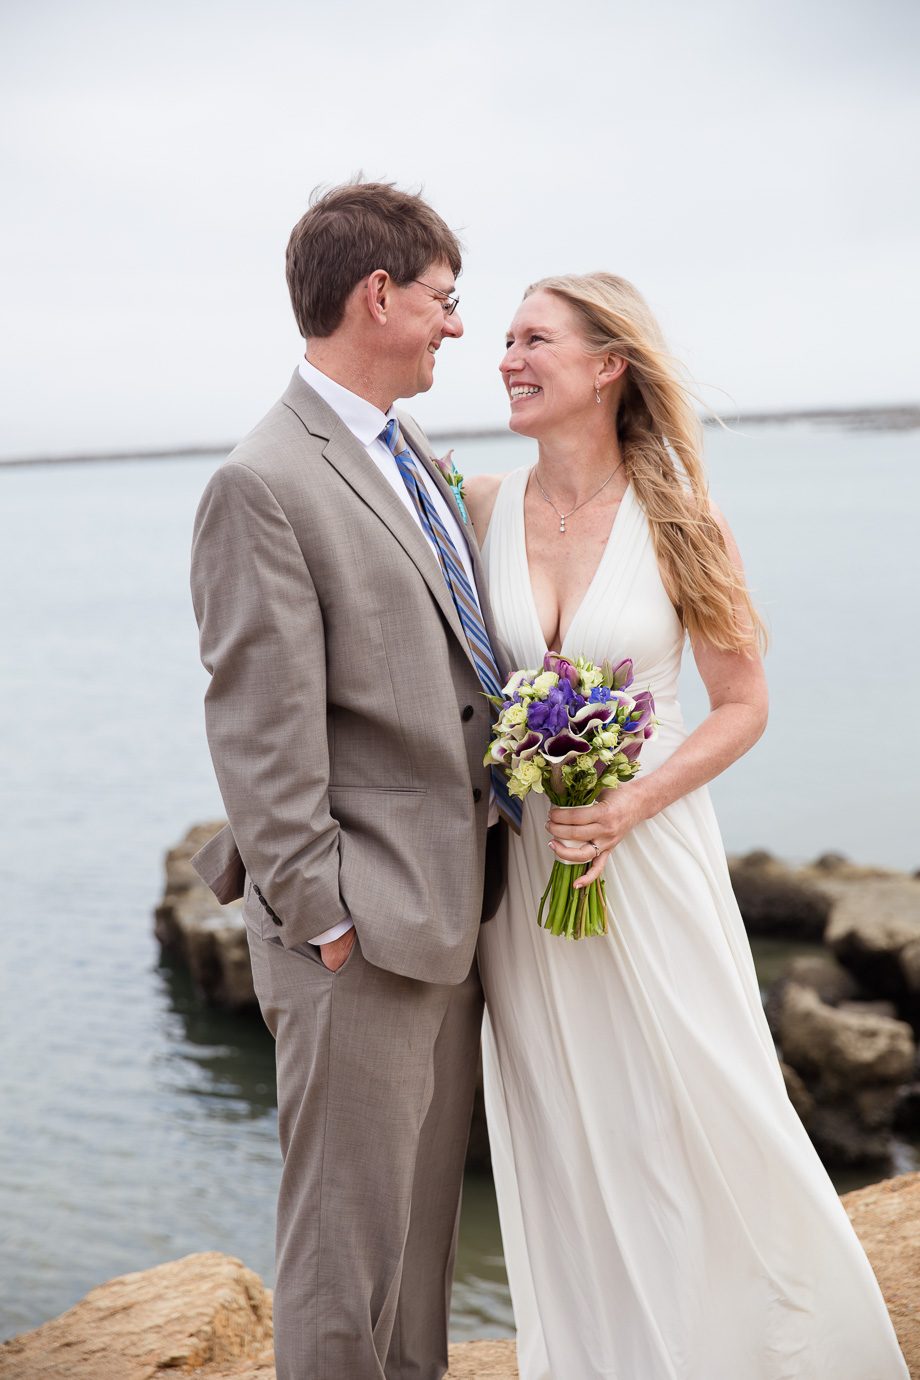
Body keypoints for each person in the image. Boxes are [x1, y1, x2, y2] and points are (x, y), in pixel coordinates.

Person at [463, 272, 908, 1379]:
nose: (506, 357)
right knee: (563, 1126)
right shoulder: (479, 507)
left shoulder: (678, 518)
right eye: (503, 339)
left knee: (691, 1105)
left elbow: (743, 703)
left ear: (608, 365)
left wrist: (624, 802)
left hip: (648, 858)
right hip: (526, 875)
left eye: (532, 339)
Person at [189, 180, 512, 1380]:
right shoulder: (262, 480)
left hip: (449, 910)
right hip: (359, 934)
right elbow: (258, 729)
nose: (456, 328)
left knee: (417, 1254)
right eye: (442, 300)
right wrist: (326, 918)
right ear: (377, 296)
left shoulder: (405, 453)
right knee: (343, 1258)